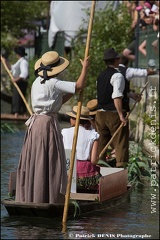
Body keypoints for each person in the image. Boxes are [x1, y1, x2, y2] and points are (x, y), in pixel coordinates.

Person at [15, 51, 90, 204]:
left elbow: (58, 100)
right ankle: (47, 197)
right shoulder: (54, 83)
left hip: (35, 125)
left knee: (37, 160)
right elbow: (80, 84)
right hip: (47, 125)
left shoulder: (37, 82)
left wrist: (74, 91)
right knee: (49, 160)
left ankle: (32, 196)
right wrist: (85, 68)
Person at [95, 48, 129, 168]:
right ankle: (121, 169)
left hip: (100, 115)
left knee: (101, 144)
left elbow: (105, 93)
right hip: (113, 114)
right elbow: (116, 97)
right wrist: (121, 116)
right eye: (118, 58)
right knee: (120, 144)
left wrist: (130, 95)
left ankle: (99, 170)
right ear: (115, 60)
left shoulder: (100, 75)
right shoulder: (117, 75)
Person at [61, 105, 101, 192]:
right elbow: (94, 160)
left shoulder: (64, 132)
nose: (70, 119)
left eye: (71, 117)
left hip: (67, 170)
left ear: (75, 119)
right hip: (84, 174)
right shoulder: (92, 135)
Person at [4, 46, 29, 117]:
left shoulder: (23, 62)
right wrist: (5, 61)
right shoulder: (20, 61)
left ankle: (17, 114)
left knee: (18, 98)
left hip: (21, 82)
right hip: (18, 82)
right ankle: (18, 113)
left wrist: (16, 79)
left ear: (18, 54)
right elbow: (11, 68)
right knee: (16, 98)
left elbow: (24, 73)